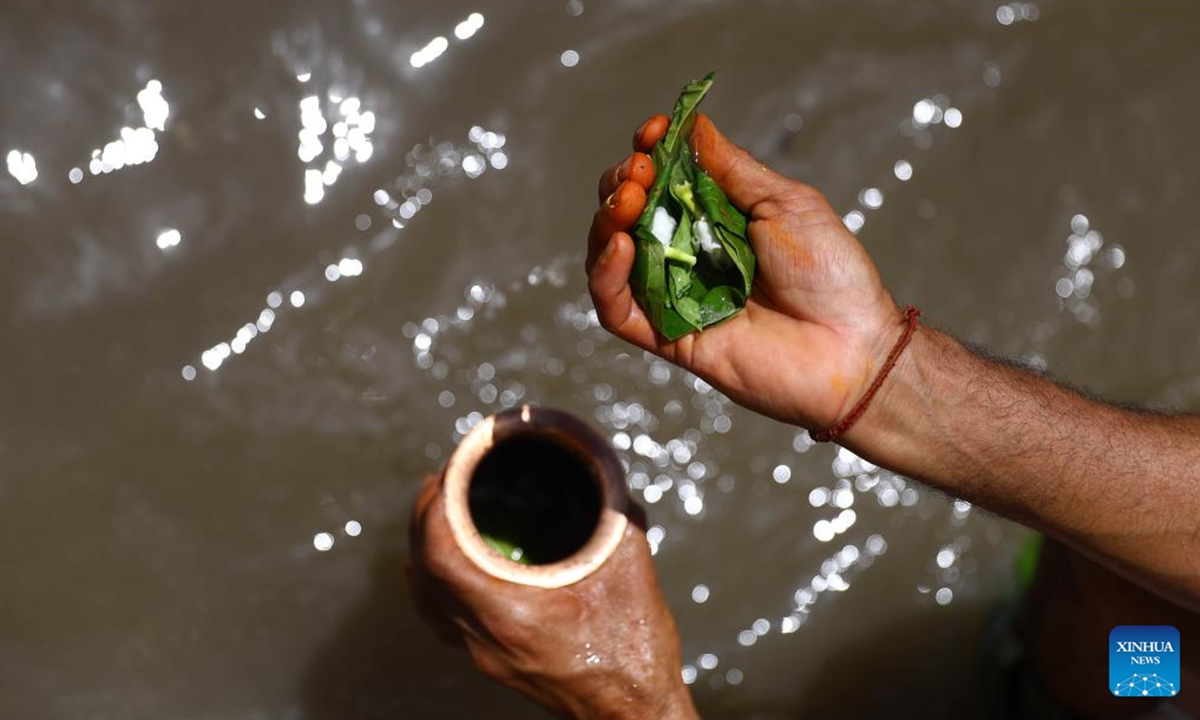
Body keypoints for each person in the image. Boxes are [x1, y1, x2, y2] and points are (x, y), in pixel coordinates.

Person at [410, 113, 1200, 719]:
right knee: (1139, 599)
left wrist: (626, 694)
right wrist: (878, 374)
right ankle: (1072, 696)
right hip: (1141, 667)